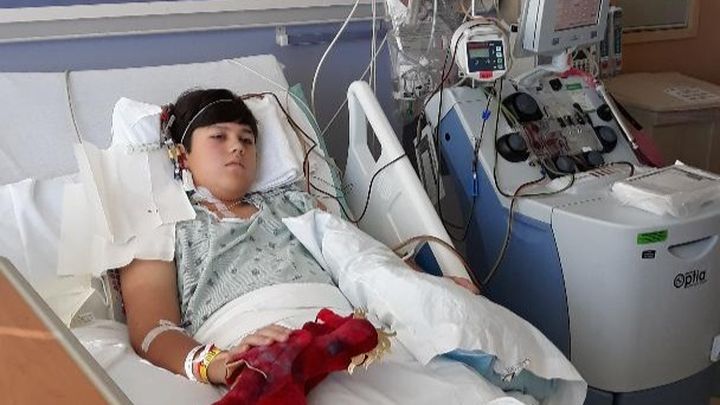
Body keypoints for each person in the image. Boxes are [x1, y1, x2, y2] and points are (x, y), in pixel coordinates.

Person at [119, 88, 478, 387]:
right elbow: (152, 330)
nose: (237, 147)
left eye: (247, 139)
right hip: (258, 344)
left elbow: (361, 257)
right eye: (219, 136)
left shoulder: (295, 204)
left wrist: (428, 285)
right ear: (182, 155)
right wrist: (214, 362)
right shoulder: (163, 224)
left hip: (349, 330)